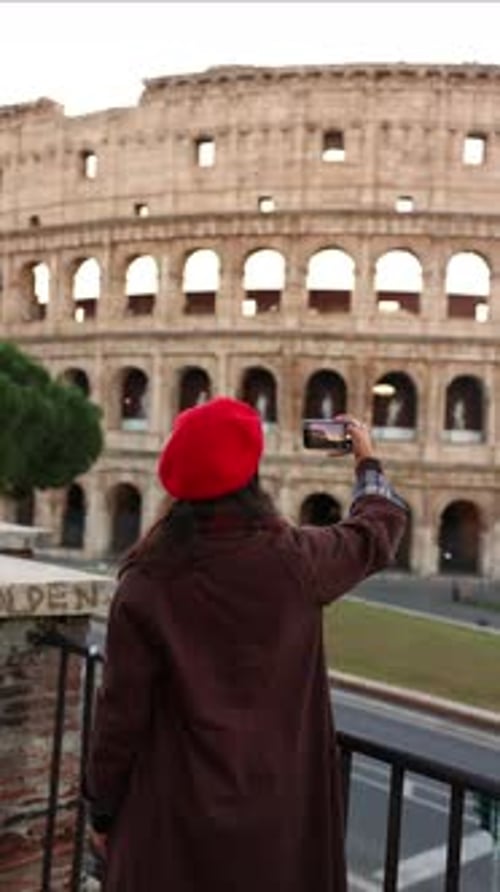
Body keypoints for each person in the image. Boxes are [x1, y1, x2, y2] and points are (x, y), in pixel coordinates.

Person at [85, 396, 407, 892]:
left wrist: (103, 811)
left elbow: (119, 716)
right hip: (276, 816)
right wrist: (366, 460)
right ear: (251, 475)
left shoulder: (146, 581)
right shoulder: (296, 561)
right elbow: (375, 531)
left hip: (171, 816)